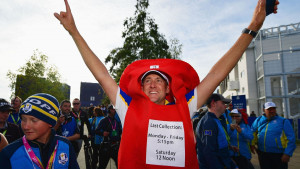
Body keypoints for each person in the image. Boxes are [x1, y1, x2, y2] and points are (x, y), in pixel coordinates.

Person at [54, 0, 279, 168]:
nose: (152, 84)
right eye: (147, 81)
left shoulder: (186, 106)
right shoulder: (127, 106)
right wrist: (74, 31)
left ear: (169, 88)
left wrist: (253, 26)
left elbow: (216, 74)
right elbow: (101, 73)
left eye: (159, 81)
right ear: (140, 88)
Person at [0, 93, 79, 169]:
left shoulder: (65, 145)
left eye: (34, 120)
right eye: (23, 119)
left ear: (50, 122)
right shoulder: (9, 153)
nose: (26, 126)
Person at [196, 94, 237, 169]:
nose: (225, 106)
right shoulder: (208, 123)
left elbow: (218, 144)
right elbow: (209, 153)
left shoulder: (216, 120)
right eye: (223, 103)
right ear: (213, 104)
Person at [251, 102, 296, 169]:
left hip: (279, 154)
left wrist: (287, 153)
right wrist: (252, 144)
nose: (272, 111)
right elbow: (253, 132)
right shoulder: (258, 120)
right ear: (264, 110)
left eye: (273, 109)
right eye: (269, 109)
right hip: (263, 153)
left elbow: (291, 138)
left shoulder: (283, 121)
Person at [95, 105, 122, 169]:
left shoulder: (116, 121)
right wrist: (103, 133)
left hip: (116, 146)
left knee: (120, 165)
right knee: (102, 166)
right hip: (106, 146)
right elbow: (96, 130)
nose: (114, 110)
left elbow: (120, 131)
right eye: (112, 109)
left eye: (115, 109)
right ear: (109, 110)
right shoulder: (104, 120)